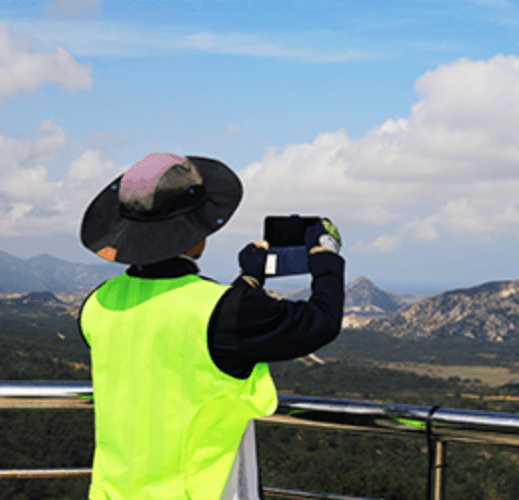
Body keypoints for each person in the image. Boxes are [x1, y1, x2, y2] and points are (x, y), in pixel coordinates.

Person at [78, 152, 344, 500]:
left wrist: (249, 279)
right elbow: (321, 321)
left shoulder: (98, 304)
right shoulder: (223, 310)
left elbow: (178, 329)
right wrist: (326, 255)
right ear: (195, 229)